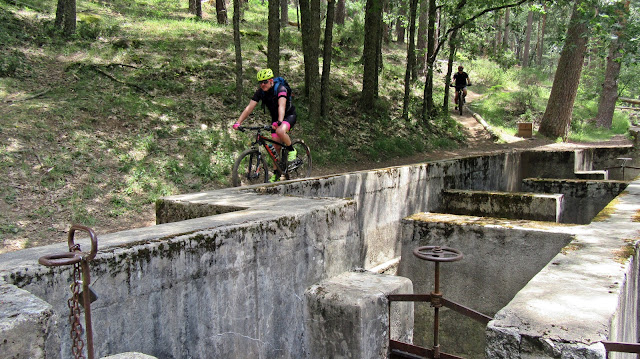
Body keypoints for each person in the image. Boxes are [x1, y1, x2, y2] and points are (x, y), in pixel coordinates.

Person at [233, 68, 297, 182]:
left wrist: (280, 122)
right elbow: (249, 108)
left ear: (271, 81)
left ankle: (292, 149)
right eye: (260, 82)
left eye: (265, 82)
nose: (262, 84)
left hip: (288, 116)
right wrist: (238, 122)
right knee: (275, 148)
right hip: (276, 119)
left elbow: (281, 106)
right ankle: (277, 174)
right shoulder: (260, 92)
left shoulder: (281, 89)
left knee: (280, 131)